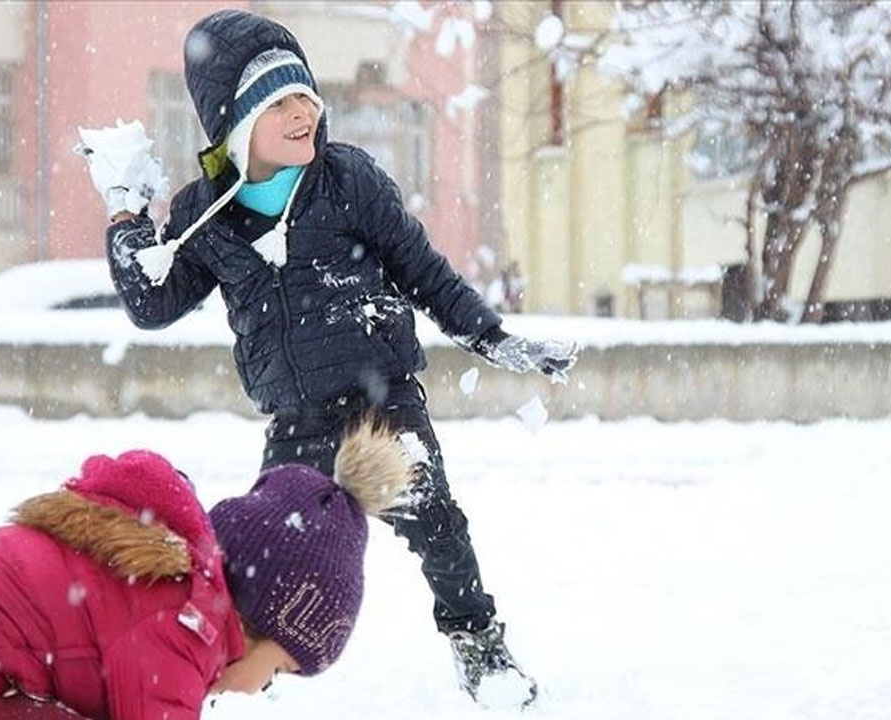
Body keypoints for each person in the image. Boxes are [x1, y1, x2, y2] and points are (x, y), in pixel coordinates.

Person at [83, 8, 577, 707]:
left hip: (383, 404)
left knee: (437, 526)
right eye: (278, 103)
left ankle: (478, 643)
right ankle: (232, 664)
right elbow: (152, 304)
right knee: (256, 562)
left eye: (306, 97)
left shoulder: (347, 181)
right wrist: (127, 217)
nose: (302, 114)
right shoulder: (206, 214)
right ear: (234, 123)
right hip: (296, 419)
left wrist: (491, 336)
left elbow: (422, 269)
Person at [0, 420, 413, 720]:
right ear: (258, 622)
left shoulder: (164, 577)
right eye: (274, 675)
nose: (254, 691)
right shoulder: (186, 627)